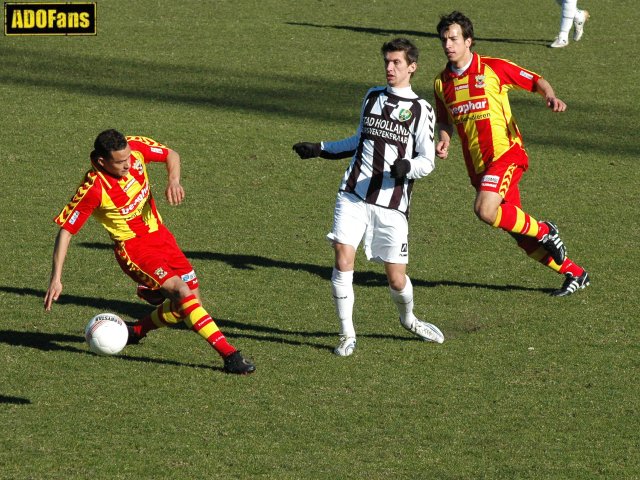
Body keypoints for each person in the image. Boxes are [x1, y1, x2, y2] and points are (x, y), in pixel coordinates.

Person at [44, 129, 255, 374]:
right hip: (134, 249)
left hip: (162, 237)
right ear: (102, 161)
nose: (128, 164)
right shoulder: (93, 188)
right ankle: (230, 355)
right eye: (120, 162)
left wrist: (173, 180)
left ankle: (136, 331)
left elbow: (171, 154)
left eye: (129, 158)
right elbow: (66, 231)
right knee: (182, 292)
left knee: (188, 305)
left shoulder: (135, 147)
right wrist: (56, 279)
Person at [292, 38, 445, 357]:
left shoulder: (421, 110)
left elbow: (427, 160)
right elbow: (358, 141)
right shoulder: (372, 97)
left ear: (411, 67)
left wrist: (408, 166)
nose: (390, 68)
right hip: (354, 194)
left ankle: (409, 319)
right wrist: (319, 148)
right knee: (342, 256)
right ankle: (347, 334)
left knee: (396, 279)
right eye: (387, 62)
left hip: (391, 204)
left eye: (397, 63)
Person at [433, 11, 589, 297]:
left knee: (485, 210)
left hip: (507, 154)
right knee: (521, 235)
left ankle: (545, 229)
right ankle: (575, 273)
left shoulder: (492, 68)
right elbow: (443, 119)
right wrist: (443, 140)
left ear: (469, 41)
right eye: (444, 39)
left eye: (454, 38)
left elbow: (535, 80)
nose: (448, 44)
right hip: (478, 168)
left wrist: (550, 96)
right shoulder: (441, 83)